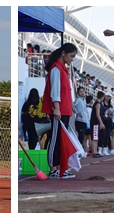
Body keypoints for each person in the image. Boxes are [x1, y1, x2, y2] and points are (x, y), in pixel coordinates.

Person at [41, 42, 78, 179]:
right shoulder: (56, 69)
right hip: (59, 111)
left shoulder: (63, 69)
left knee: (61, 140)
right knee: (55, 139)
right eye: (71, 56)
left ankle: (61, 167)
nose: (72, 59)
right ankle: (53, 168)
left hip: (65, 110)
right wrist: (56, 109)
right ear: (63, 53)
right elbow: (55, 91)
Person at [90, 91, 106, 158]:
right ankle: (94, 152)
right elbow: (97, 114)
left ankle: (95, 152)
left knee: (96, 138)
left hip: (96, 123)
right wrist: (101, 123)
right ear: (102, 97)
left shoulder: (98, 103)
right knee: (94, 138)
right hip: (95, 123)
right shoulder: (98, 104)